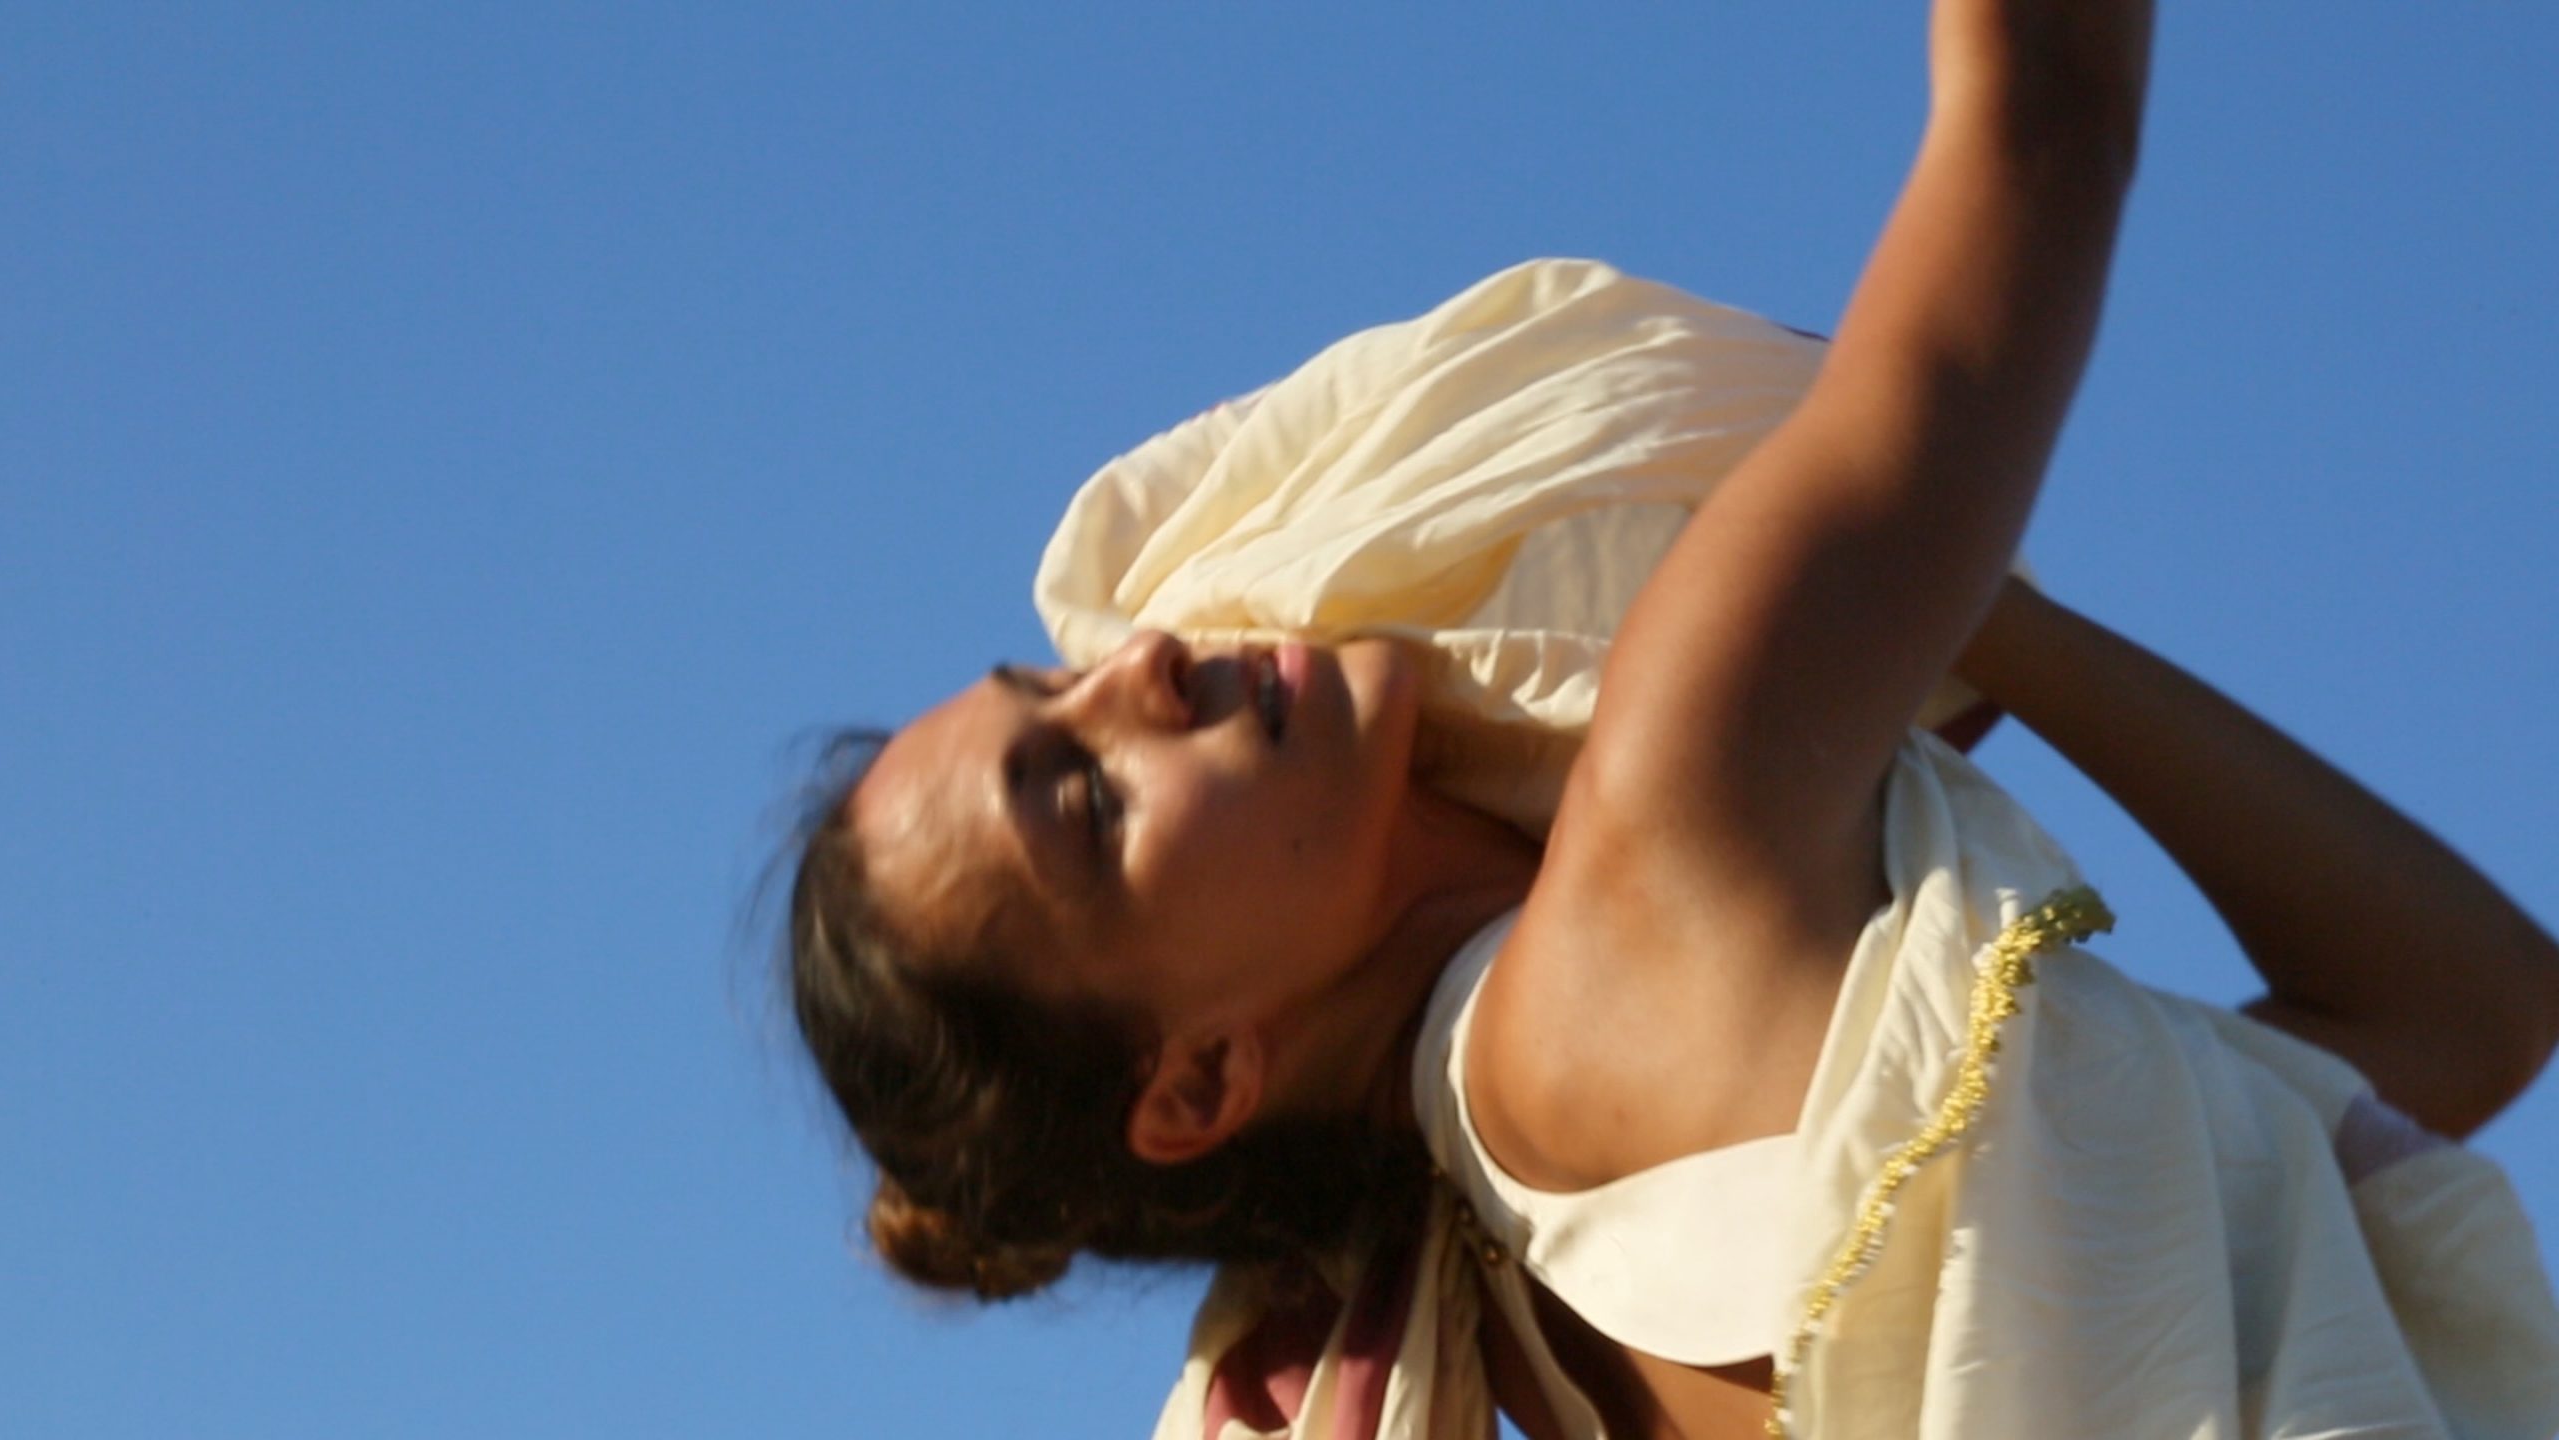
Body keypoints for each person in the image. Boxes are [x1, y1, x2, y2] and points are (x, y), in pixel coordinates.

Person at [784, 1, 2559, 1435]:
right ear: (1199, 1081)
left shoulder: (1537, 1310)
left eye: (1062, 682)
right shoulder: (1659, 861)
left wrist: (1963, 608)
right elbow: (2049, 120)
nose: (1143, 670)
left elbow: (2464, 1011)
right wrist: (1881, 569)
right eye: (1087, 800)